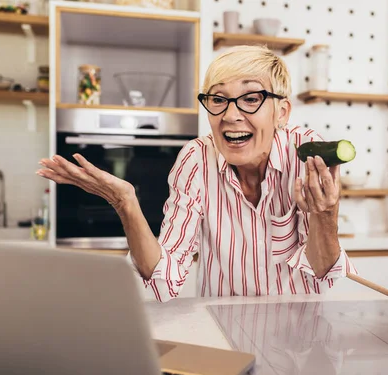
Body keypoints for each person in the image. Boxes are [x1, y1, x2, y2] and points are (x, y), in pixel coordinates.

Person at [37, 45, 356, 302]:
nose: (231, 115)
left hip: (302, 340)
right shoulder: (196, 161)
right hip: (226, 335)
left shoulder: (307, 154)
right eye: (218, 99)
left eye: (250, 99)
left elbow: (323, 271)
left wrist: (324, 214)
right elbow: (164, 280)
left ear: (281, 112)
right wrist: (126, 203)